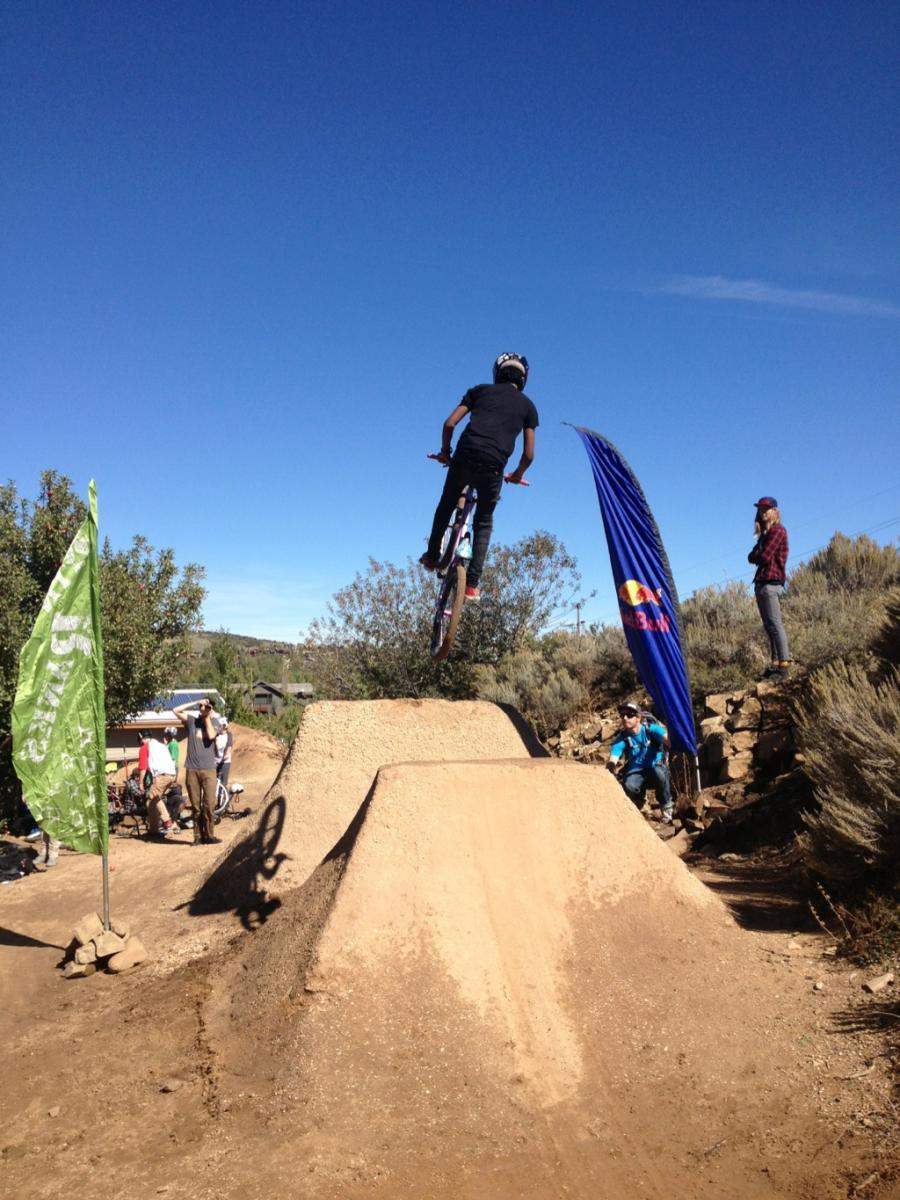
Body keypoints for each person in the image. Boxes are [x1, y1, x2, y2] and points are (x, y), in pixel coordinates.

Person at [419, 352, 538, 601]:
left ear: (497, 373)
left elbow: (450, 424)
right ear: (524, 379)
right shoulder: (528, 407)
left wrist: (444, 453)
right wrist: (516, 475)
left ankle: (431, 557)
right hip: (493, 468)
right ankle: (472, 584)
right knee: (483, 522)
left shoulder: (480, 391)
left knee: (446, 504)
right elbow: (528, 455)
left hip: (464, 456)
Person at [607, 701, 673, 824]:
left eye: (629, 714)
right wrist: (610, 767)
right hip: (636, 772)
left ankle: (666, 807)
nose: (625, 717)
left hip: (655, 768)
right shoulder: (622, 738)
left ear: (638, 718)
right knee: (629, 785)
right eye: (622, 715)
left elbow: (668, 739)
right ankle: (641, 803)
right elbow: (614, 757)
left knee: (660, 773)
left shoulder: (650, 729)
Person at [748, 496, 791, 678]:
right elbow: (751, 556)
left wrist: (756, 554)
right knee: (768, 625)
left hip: (771, 582)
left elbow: (762, 557)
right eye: (760, 509)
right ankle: (775, 664)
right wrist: (756, 554)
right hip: (762, 582)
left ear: (774, 511)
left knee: (775, 623)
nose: (762, 512)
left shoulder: (778, 531)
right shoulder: (765, 534)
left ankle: (784, 665)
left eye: (766, 509)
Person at [172, 698, 222, 845]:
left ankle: (209, 835)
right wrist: (195, 701)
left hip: (209, 769)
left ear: (211, 708)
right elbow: (175, 711)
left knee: (209, 804)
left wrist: (206, 715)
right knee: (195, 805)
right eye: (200, 706)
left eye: (205, 706)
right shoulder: (192, 721)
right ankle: (197, 836)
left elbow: (211, 735)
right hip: (192, 768)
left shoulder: (215, 723)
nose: (202, 708)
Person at [146, 733, 178, 837]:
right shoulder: (161, 746)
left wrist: (154, 775)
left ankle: (164, 824)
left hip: (163, 775)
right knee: (154, 799)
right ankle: (159, 827)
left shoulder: (150, 747)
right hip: (171, 774)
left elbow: (150, 763)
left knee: (151, 798)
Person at [215, 718, 233, 790]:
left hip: (225, 761)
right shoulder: (215, 735)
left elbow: (229, 747)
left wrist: (223, 757)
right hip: (215, 761)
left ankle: (223, 798)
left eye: (221, 726)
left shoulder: (229, 735)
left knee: (223, 782)